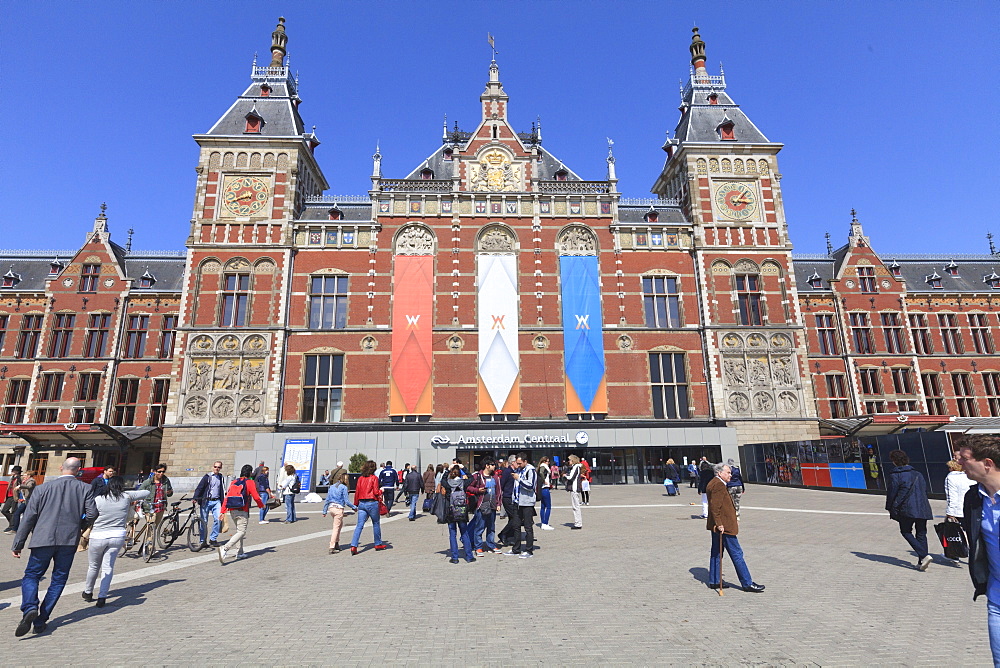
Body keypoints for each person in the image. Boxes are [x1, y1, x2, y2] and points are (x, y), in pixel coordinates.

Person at [12, 457, 98, 637]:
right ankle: (41, 619)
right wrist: (79, 526)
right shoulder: (85, 488)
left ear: (61, 468)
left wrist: (18, 543)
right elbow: (92, 513)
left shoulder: (42, 488)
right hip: (68, 541)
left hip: (42, 539)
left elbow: (29, 517)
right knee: (58, 579)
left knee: (32, 576)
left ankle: (29, 608)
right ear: (78, 470)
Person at [957, 437, 1000, 664]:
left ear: (987, 463)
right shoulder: (973, 498)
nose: (959, 463)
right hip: (997, 597)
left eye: (965, 459)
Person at [83, 476, 149, 607]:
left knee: (93, 566)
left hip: (98, 536)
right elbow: (146, 492)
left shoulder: (99, 499)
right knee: (108, 567)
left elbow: (89, 513)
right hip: (117, 536)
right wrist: (126, 493)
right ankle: (102, 596)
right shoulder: (125, 497)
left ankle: (88, 591)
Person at [706, 462, 764, 593]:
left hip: (716, 525)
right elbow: (715, 507)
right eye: (728, 472)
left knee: (716, 552)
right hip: (724, 526)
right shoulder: (718, 485)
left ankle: (715, 580)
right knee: (737, 553)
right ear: (719, 473)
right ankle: (747, 583)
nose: (730, 475)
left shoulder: (714, 482)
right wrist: (720, 523)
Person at [885, 449, 934, 571]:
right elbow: (924, 490)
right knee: (921, 533)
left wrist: (890, 507)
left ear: (894, 461)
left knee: (906, 531)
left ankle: (924, 555)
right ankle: (922, 561)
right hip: (922, 507)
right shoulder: (918, 474)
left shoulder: (895, 475)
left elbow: (892, 493)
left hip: (906, 508)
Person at [217, 464, 264, 564]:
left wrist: (222, 511)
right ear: (250, 473)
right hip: (242, 510)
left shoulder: (234, 482)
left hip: (232, 510)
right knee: (242, 532)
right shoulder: (250, 482)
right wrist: (261, 505)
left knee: (239, 531)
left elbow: (227, 497)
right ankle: (225, 548)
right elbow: (256, 496)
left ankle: (240, 552)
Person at [440, 464, 475, 563]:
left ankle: (455, 557)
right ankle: (469, 556)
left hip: (451, 511)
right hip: (462, 511)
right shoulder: (463, 483)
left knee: (452, 533)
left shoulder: (447, 483)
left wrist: (447, 470)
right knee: (464, 533)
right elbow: (472, 478)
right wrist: (463, 468)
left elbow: (442, 480)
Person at [504, 452, 537, 559]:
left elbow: (531, 485)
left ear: (525, 462)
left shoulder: (530, 470)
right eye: (517, 463)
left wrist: (519, 479)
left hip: (527, 502)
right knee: (516, 526)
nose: (518, 465)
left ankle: (529, 550)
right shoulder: (518, 470)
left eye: (520, 463)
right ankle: (516, 549)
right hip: (517, 502)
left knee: (527, 527)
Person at [350, 461, 387, 555]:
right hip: (372, 502)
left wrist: (355, 504)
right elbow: (375, 491)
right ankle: (378, 543)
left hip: (362, 503)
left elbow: (357, 492)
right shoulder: (374, 478)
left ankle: (354, 545)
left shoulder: (360, 478)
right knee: (376, 523)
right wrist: (381, 491)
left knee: (359, 525)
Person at [467, 458, 499, 556]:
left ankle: (491, 545)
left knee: (491, 527)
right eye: (493, 464)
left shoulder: (495, 477)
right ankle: (478, 547)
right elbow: (468, 487)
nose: (494, 467)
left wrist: (498, 504)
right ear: (487, 465)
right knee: (479, 527)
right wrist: (478, 490)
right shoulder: (477, 476)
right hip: (481, 505)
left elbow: (498, 491)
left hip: (492, 505)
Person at [193, 461, 227, 545]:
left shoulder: (221, 477)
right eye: (215, 467)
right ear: (213, 467)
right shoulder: (207, 477)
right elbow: (200, 487)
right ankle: (202, 541)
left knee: (218, 519)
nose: (217, 468)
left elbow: (222, 490)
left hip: (217, 501)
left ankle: (213, 539)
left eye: (219, 467)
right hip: (206, 501)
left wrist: (224, 502)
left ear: (221, 468)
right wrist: (195, 497)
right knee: (204, 521)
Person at [323, 472, 357, 553]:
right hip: (339, 508)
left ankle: (337, 543)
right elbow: (346, 501)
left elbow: (327, 499)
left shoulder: (332, 487)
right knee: (336, 527)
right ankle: (332, 546)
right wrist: (354, 507)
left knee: (339, 525)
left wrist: (324, 511)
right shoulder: (343, 487)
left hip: (331, 507)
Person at [138, 463, 173, 537]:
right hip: (150, 508)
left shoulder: (166, 481)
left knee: (154, 528)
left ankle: (148, 544)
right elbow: (139, 492)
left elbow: (170, 493)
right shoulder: (148, 482)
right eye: (159, 471)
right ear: (155, 472)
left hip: (160, 508)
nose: (161, 473)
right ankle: (149, 547)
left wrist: (170, 492)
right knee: (150, 528)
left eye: (163, 472)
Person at [497, 454, 519, 546]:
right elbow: (501, 484)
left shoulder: (516, 471)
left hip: (514, 498)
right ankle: (503, 533)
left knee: (512, 518)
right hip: (507, 497)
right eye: (517, 462)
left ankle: (510, 536)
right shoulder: (507, 471)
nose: (518, 464)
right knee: (515, 518)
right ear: (513, 462)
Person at [945, 459, 974, 524]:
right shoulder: (969, 476)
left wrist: (950, 512)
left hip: (958, 511)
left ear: (952, 468)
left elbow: (952, 496)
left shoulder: (951, 477)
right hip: (972, 509)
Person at [565, 454, 584, 529]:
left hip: (574, 488)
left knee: (576, 506)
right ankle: (578, 522)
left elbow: (571, 477)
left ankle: (578, 523)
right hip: (575, 488)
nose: (569, 461)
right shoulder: (577, 467)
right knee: (576, 506)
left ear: (573, 461)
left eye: (570, 460)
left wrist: (565, 476)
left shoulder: (575, 467)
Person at [2, 465, 23, 532]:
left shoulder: (19, 478)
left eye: (13, 470)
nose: (11, 471)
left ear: (17, 472)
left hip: (15, 496)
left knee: (14, 512)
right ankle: (12, 524)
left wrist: (20, 497)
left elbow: (21, 487)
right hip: (9, 496)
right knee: (4, 510)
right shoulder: (12, 478)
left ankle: (12, 526)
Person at [538, 456, 554, 531]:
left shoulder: (540, 466)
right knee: (548, 507)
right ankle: (545, 523)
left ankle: (543, 523)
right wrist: (544, 480)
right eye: (548, 461)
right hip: (545, 488)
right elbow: (541, 472)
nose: (549, 463)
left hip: (541, 488)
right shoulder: (543, 466)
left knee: (543, 506)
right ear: (544, 461)